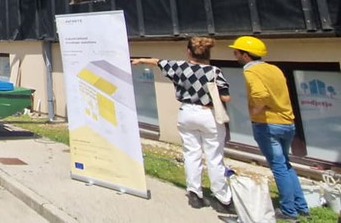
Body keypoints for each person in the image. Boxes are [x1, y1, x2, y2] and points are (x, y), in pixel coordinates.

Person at [131, 37, 235, 215]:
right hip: (208, 114)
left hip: (186, 112)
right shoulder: (214, 71)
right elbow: (226, 97)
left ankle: (194, 193)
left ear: (189, 52)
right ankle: (223, 198)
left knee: (191, 152)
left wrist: (140, 60)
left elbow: (158, 62)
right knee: (214, 157)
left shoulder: (180, 67)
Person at [231, 35, 310, 220]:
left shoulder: (250, 71)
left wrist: (253, 113)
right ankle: (301, 206)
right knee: (286, 165)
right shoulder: (274, 68)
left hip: (268, 124)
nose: (234, 55)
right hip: (287, 123)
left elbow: (260, 94)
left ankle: (288, 211)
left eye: (236, 52)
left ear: (246, 55)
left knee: (278, 167)